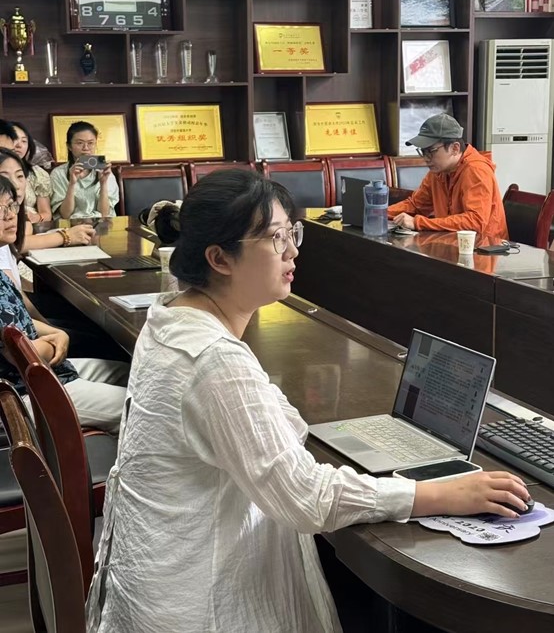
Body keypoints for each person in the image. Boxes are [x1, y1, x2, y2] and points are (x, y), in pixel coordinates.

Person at [86, 169, 529, 633]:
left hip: (155, 580)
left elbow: (277, 421)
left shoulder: (172, 317)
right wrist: (438, 494)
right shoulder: (213, 359)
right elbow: (306, 499)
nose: (293, 251)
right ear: (219, 258)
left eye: (291, 233)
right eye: (276, 238)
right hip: (197, 604)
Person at [0, 176, 127, 432]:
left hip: (48, 371)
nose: (10, 215)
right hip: (24, 392)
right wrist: (55, 342)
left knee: (134, 374)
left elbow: (16, 318)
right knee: (144, 406)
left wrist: (56, 332)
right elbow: (20, 355)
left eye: (11, 205)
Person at [388, 113, 508, 238]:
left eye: (431, 151)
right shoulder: (438, 171)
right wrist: (378, 213)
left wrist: (419, 223)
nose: (426, 158)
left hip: (484, 245)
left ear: (455, 148)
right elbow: (416, 205)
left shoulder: (476, 170)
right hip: (452, 242)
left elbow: (475, 222)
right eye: (423, 151)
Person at [0, 147, 94, 253]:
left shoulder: (16, 210)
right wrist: (66, 236)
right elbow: (17, 245)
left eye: (20, 176)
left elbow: (20, 240)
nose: (16, 185)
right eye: (4, 177)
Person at [50, 120, 119, 219]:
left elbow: (105, 214)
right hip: (71, 225)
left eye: (90, 143)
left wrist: (103, 183)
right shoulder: (58, 173)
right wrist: (72, 184)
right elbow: (65, 215)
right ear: (69, 146)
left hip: (100, 224)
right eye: (79, 143)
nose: (86, 148)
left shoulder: (105, 171)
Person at [10, 120, 53, 223]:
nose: (19, 145)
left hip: (31, 225)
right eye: (14, 139)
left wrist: (36, 217)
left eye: (24, 141)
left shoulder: (37, 174)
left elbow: (46, 214)